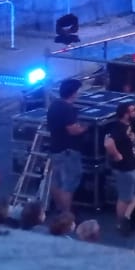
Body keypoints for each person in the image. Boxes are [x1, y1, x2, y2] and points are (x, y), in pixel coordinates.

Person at [45, 77, 89, 218]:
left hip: (55, 148)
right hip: (68, 151)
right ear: (73, 93)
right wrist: (84, 128)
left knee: (56, 181)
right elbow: (72, 130)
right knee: (68, 184)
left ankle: (59, 209)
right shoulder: (67, 109)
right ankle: (67, 215)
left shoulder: (54, 105)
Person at [104, 98, 135, 234]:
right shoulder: (118, 129)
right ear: (125, 114)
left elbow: (133, 144)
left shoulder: (128, 127)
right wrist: (116, 156)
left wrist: (134, 142)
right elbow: (108, 143)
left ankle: (126, 217)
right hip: (124, 169)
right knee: (125, 198)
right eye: (133, 110)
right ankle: (121, 225)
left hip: (132, 166)